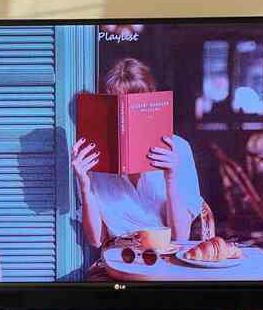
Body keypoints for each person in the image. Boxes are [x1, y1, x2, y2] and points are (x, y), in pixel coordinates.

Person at [71, 58, 203, 248]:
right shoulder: (91, 158)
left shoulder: (179, 149)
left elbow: (180, 236)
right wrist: (85, 185)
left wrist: (171, 178)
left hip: (167, 254)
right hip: (119, 255)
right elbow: (96, 240)